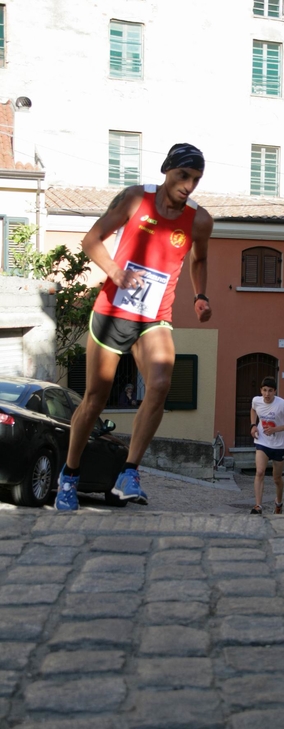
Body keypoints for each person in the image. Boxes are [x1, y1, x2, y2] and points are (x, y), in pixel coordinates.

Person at [55, 143, 213, 511]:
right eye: (183, 176)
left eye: (196, 180)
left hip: (155, 315)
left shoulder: (199, 220)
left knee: (160, 383)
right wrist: (115, 271)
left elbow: (199, 259)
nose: (189, 185)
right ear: (167, 171)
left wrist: (200, 295)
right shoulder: (133, 199)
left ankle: (129, 472)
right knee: (95, 398)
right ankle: (70, 474)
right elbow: (91, 240)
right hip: (113, 310)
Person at [250, 376, 284, 515]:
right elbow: (253, 410)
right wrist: (253, 425)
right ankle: (258, 505)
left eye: (270, 391)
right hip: (262, 442)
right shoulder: (256, 401)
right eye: (264, 390)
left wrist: (276, 429)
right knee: (259, 472)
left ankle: (279, 502)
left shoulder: (282, 405)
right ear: (261, 390)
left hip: (279, 445)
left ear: (275, 391)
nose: (267, 394)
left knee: (277, 478)